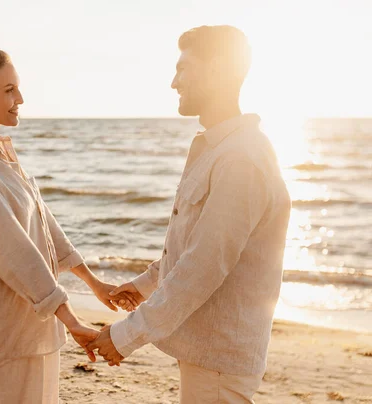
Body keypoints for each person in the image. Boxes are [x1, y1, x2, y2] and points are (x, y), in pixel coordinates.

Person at [0, 47, 134, 404]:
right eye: (8, 90)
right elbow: (11, 247)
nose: (20, 98)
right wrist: (70, 318)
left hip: (32, 324)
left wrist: (94, 283)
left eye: (17, 88)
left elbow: (45, 226)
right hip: (3, 329)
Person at [89, 25, 292, 403]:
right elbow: (197, 245)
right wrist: (147, 283)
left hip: (220, 357)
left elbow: (204, 266)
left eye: (184, 69)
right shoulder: (218, 147)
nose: (173, 82)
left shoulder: (240, 157)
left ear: (216, 70)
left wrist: (125, 336)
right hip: (207, 352)